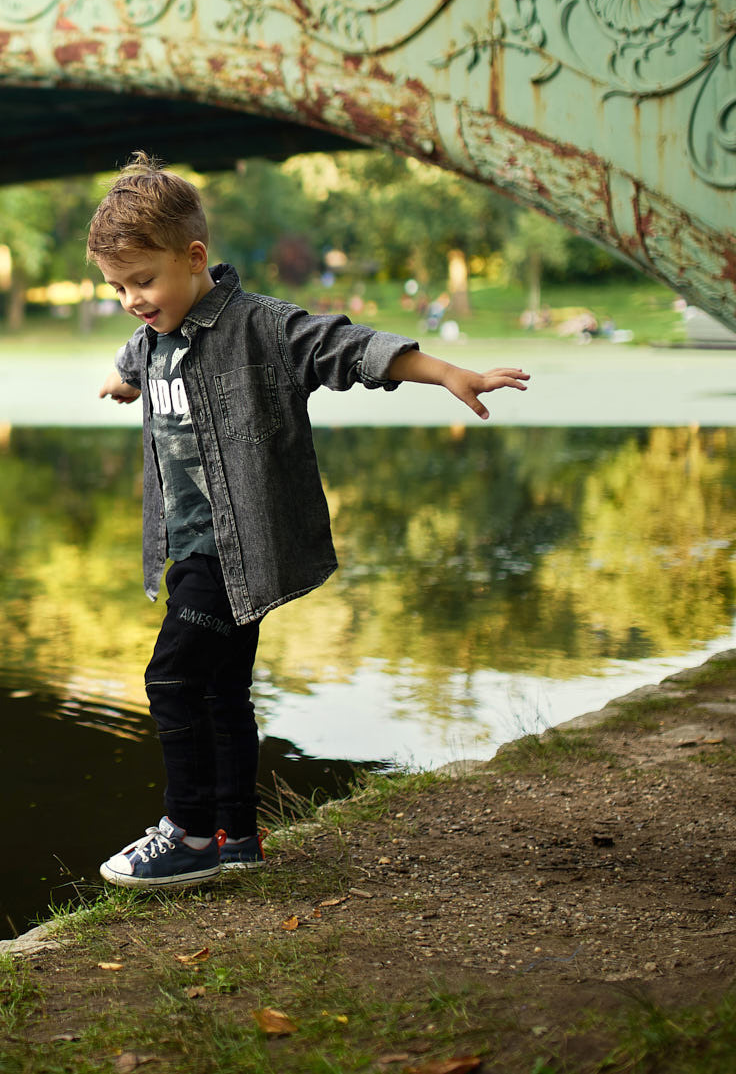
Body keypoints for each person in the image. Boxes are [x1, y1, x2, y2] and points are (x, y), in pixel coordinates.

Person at [88, 154, 528, 888]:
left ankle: (189, 831)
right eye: (118, 287)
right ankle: (235, 834)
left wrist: (446, 370)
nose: (133, 299)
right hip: (188, 547)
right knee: (223, 690)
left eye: (144, 281)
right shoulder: (156, 335)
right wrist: (123, 376)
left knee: (170, 679)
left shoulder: (260, 327)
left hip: (236, 554)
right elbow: (140, 352)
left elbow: (346, 348)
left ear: (194, 258)